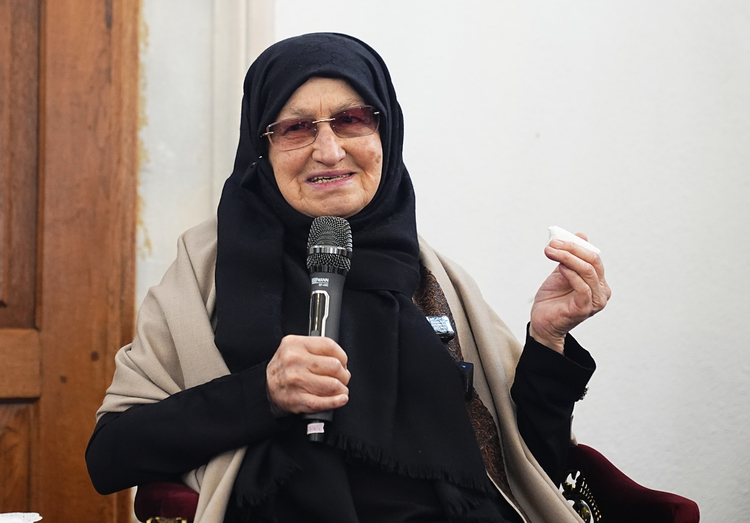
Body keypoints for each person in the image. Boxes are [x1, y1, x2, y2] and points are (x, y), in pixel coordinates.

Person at [86, 33, 610, 523]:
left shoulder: (433, 278)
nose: (329, 150)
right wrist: (263, 392)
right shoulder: (206, 271)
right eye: (295, 128)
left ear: (386, 132)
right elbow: (110, 455)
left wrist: (548, 340)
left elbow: (530, 470)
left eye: (352, 119)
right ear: (261, 147)